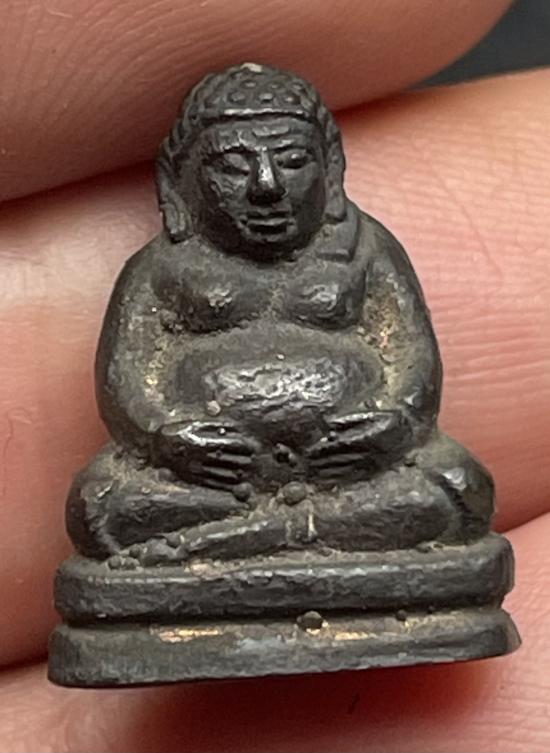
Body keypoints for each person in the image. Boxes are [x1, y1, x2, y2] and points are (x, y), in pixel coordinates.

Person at [1, 0, 549, 750]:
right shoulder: (161, 269)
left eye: (291, 162)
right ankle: (274, 537)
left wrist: (391, 425)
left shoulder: (366, 251)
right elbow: (126, 382)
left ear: (330, 168)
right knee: (104, 505)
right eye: (233, 166)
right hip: (208, 479)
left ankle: (226, 551)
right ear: (182, 180)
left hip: (352, 468)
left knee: (455, 489)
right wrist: (167, 438)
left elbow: (414, 365)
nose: (266, 186)